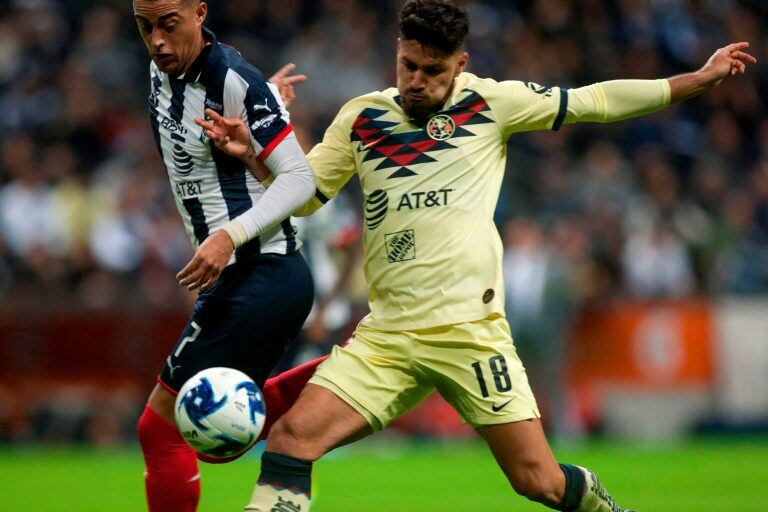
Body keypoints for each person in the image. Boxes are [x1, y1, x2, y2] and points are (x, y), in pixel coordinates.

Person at [197, 1, 755, 511]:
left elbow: (596, 101)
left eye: (433, 71)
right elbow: (309, 197)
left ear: (460, 64)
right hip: (387, 337)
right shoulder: (361, 119)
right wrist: (255, 157)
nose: (416, 81)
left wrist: (696, 80)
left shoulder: (492, 103)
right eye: (407, 65)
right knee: (292, 439)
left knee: (539, 481)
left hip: (470, 333)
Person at [132, 1, 329, 511]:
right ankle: (356, 371)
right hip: (243, 279)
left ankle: (378, 366)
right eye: (144, 26)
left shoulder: (235, 79)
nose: (156, 40)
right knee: (214, 440)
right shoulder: (165, 72)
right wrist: (272, 109)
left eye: (168, 25)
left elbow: (300, 178)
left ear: (200, 13)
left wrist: (227, 237)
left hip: (262, 269)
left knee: (162, 428)